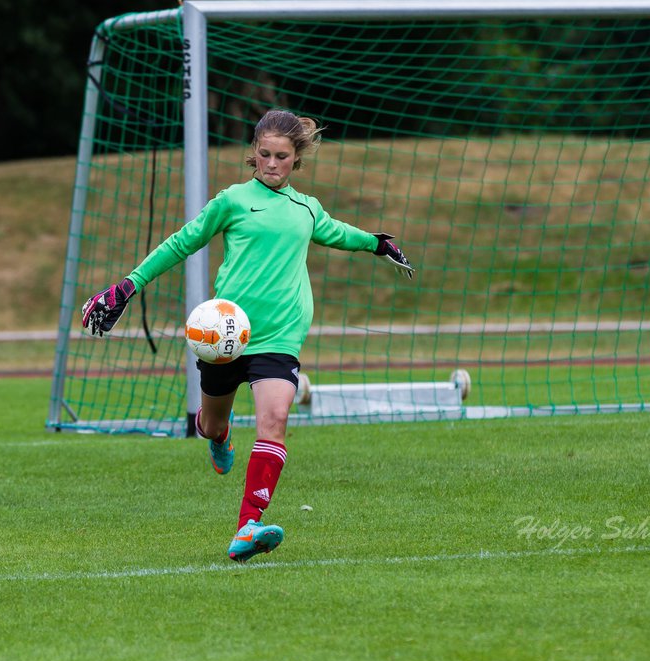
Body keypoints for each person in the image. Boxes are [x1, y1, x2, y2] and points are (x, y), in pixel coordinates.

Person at [82, 109, 414, 562]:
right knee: (212, 423)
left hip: (279, 335)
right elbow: (181, 241)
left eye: (282, 156)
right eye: (265, 155)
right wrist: (129, 285)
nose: (272, 163)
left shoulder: (307, 208)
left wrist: (378, 243)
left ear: (297, 160)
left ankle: (247, 527)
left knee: (275, 420)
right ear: (253, 155)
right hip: (225, 334)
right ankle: (217, 437)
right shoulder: (233, 200)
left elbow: (338, 233)